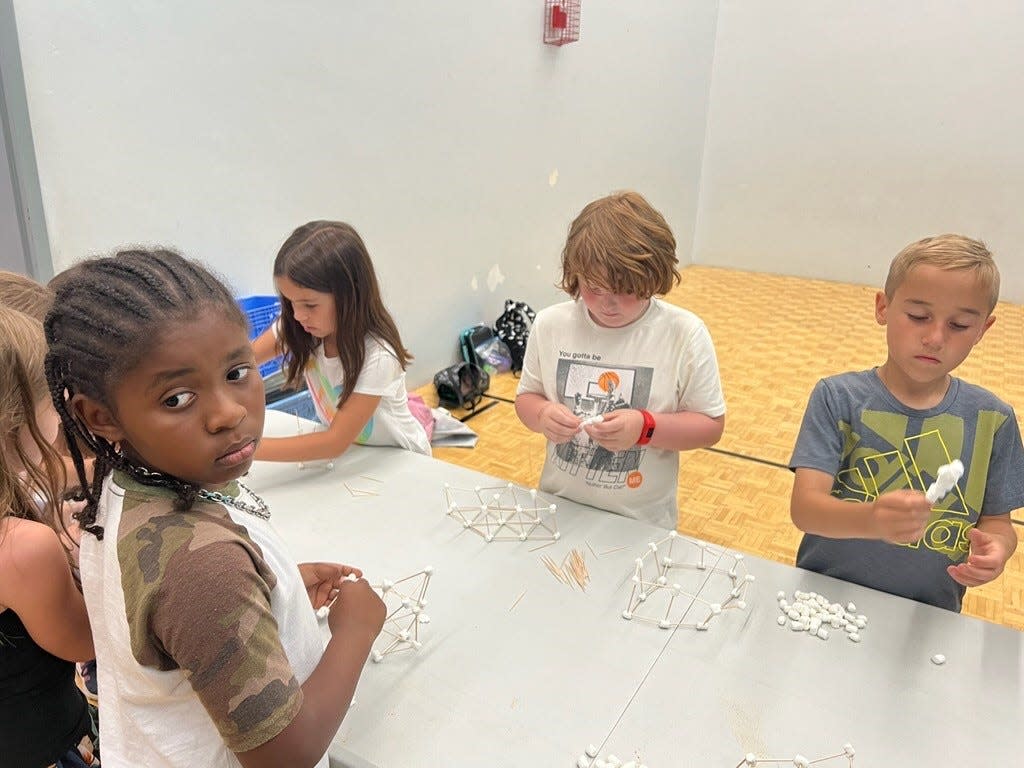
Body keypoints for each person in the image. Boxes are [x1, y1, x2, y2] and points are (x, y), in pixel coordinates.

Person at [45, 249, 386, 768]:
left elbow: (162, 619)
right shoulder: (200, 568)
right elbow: (284, 756)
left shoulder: (123, 485)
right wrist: (355, 630)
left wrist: (268, 588)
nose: (229, 413)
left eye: (236, 372)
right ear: (100, 416)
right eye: (177, 399)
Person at [789, 234, 1024, 612]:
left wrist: (997, 550)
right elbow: (805, 509)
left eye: (960, 325)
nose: (934, 338)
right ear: (883, 307)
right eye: (918, 317)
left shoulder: (993, 420)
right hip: (824, 601)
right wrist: (871, 520)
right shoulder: (837, 397)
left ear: (983, 329)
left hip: (927, 615)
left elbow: (998, 523)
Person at [515, 191, 726, 530]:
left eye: (626, 290)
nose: (607, 303)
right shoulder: (551, 324)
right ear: (575, 274)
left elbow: (710, 426)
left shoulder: (684, 333)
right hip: (559, 508)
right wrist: (542, 415)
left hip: (641, 521)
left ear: (653, 277)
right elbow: (527, 398)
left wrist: (645, 428)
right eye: (594, 287)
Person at [0, 306, 98, 767]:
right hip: (47, 745)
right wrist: (81, 559)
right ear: (14, 424)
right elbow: (85, 642)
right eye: (50, 399)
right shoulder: (20, 549)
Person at [252, 221, 431, 461]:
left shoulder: (378, 355)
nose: (297, 315)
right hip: (353, 458)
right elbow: (243, 361)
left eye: (310, 305)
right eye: (290, 302)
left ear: (350, 295)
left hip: (401, 461)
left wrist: (245, 452)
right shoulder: (300, 326)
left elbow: (334, 443)